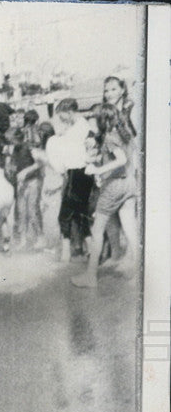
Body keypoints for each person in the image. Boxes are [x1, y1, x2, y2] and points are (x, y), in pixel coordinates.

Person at [71, 104, 138, 288]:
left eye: (95, 118)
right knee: (130, 227)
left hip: (114, 186)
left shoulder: (109, 137)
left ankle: (90, 276)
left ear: (102, 119)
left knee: (97, 231)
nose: (93, 121)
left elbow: (120, 159)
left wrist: (98, 170)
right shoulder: (124, 133)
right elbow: (127, 159)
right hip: (129, 183)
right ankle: (141, 270)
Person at [48, 98, 95, 262]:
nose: (62, 121)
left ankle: (66, 253)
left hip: (77, 172)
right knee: (79, 213)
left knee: (65, 214)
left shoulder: (79, 128)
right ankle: (90, 248)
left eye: (63, 117)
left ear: (69, 113)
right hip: (82, 174)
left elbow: (67, 151)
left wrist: (60, 136)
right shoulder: (81, 126)